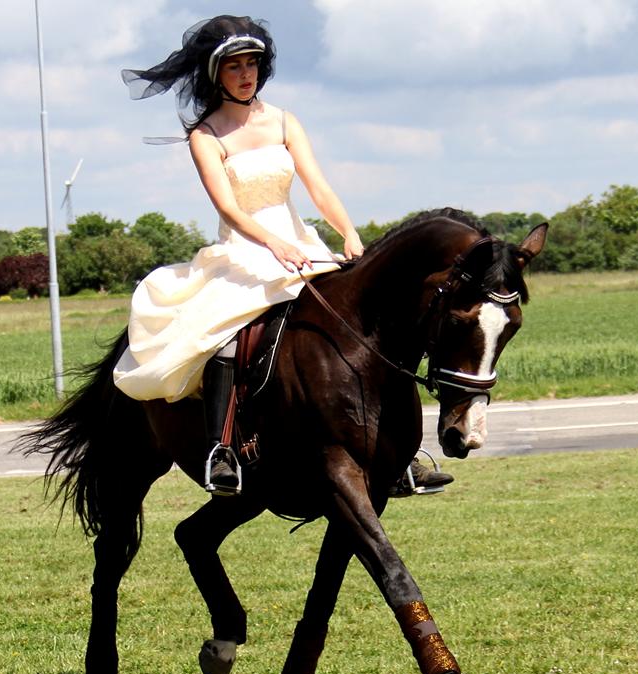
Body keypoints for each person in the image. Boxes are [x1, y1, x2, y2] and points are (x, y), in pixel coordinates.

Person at [113, 14, 453, 496]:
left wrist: (348, 232)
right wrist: (272, 243)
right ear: (217, 74)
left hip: (302, 244)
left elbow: (318, 187)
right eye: (235, 67)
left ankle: (398, 454)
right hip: (246, 250)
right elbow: (227, 208)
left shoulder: (285, 121)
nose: (246, 74)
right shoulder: (205, 136)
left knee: (363, 327)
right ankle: (222, 450)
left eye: (252, 64)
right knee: (225, 339)